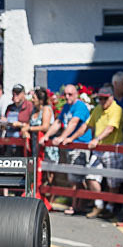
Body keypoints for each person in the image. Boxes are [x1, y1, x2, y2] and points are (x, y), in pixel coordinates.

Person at [41, 84, 93, 215]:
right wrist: (47, 136)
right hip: (71, 145)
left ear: (76, 94)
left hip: (80, 144)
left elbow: (73, 123)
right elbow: (58, 123)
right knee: (74, 177)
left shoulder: (80, 106)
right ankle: (80, 204)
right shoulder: (66, 107)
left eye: (70, 94)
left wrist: (62, 137)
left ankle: (77, 205)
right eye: (65, 94)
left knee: (76, 177)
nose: (67, 97)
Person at [79, 85, 123, 218]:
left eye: (104, 99)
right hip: (99, 148)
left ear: (111, 98)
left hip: (112, 147)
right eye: (100, 99)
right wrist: (69, 138)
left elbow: (110, 128)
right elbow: (87, 125)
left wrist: (96, 139)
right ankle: (98, 205)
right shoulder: (98, 109)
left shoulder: (117, 109)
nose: (102, 102)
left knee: (113, 180)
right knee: (91, 176)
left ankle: (110, 207)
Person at [2, 84, 34, 155]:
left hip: (22, 141)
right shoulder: (9, 107)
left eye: (18, 93)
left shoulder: (29, 106)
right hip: (9, 140)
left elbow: (32, 123)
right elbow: (5, 123)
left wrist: (21, 125)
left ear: (23, 94)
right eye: (14, 93)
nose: (15, 95)